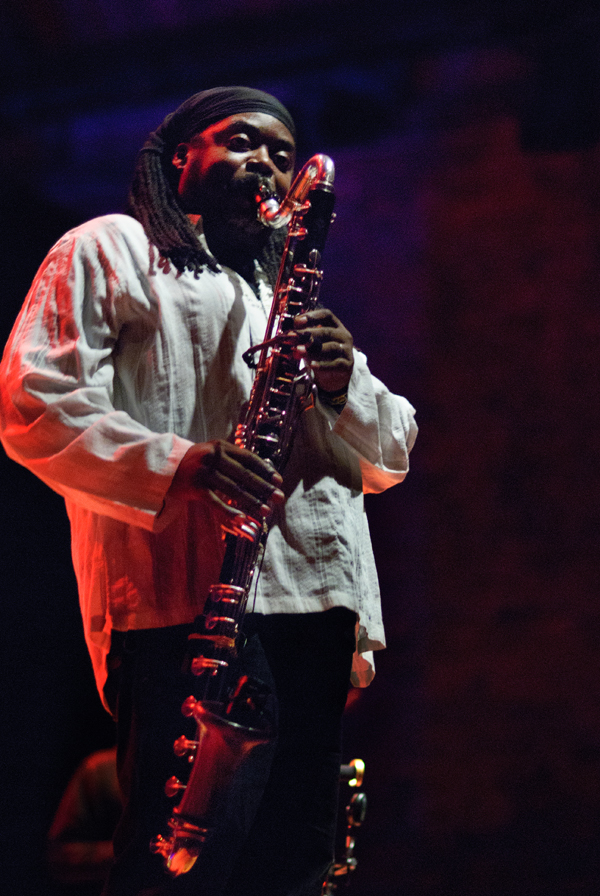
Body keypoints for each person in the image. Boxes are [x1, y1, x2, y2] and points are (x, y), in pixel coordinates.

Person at [0, 86, 417, 896]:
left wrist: (341, 384)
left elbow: (392, 453)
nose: (267, 163)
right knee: (180, 864)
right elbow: (31, 403)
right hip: (182, 602)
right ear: (178, 155)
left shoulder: (285, 297)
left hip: (316, 604)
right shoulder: (111, 247)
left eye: (283, 155)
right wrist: (179, 466)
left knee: (292, 865)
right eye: (241, 141)